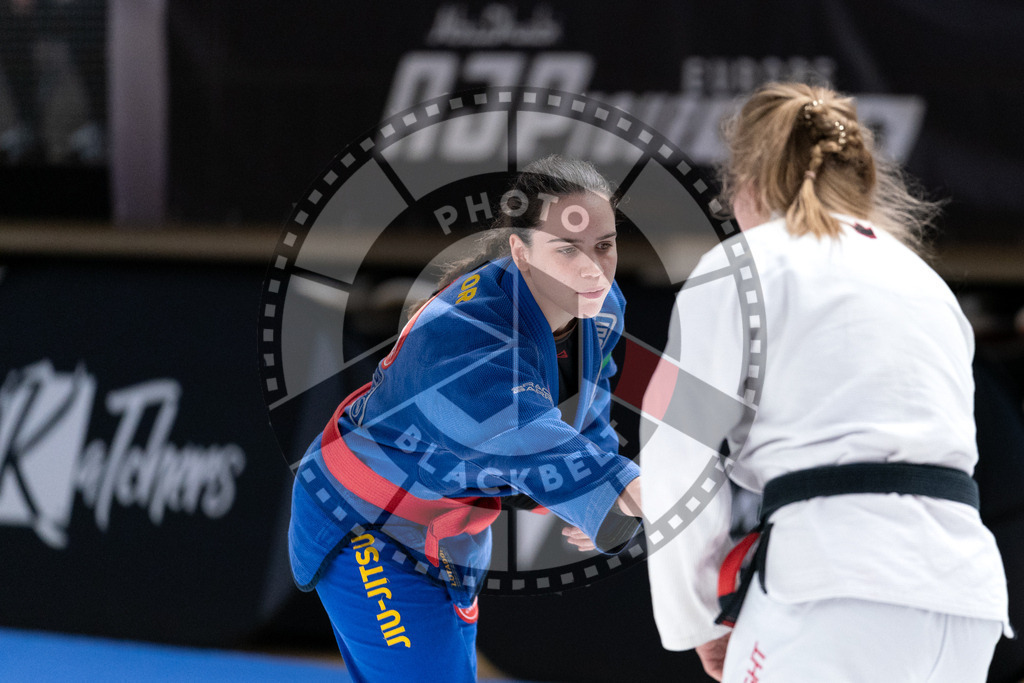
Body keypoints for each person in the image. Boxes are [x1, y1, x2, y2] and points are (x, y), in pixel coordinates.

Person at [641, 82, 1010, 682]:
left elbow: (677, 453)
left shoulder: (745, 265)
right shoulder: (925, 284)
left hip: (831, 589)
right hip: (964, 596)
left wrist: (698, 619)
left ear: (749, 184)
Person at [288, 155, 643, 683]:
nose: (593, 268)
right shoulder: (466, 341)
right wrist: (635, 493)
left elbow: (587, 403)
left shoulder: (600, 306)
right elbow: (539, 443)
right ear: (521, 252)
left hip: (448, 533)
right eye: (566, 249)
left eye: (604, 245)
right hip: (367, 524)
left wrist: (605, 504)